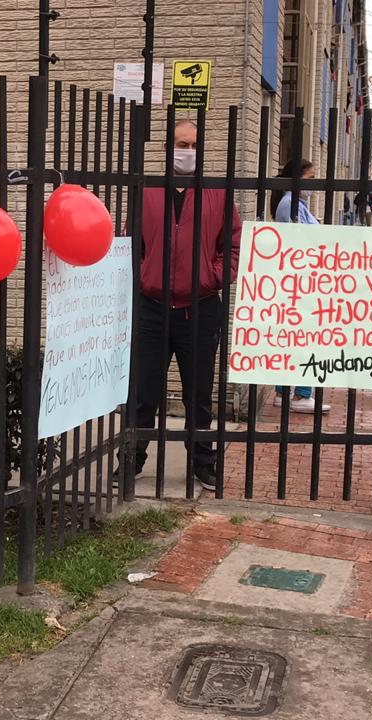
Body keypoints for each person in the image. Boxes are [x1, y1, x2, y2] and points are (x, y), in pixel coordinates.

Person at [125, 119, 241, 492]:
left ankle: (203, 463)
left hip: (201, 307)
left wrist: (211, 276)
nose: (186, 151)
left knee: (199, 394)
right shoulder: (149, 191)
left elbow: (233, 245)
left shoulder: (218, 194)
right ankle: (132, 460)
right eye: (180, 144)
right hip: (151, 306)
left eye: (192, 145)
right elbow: (132, 242)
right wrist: (144, 274)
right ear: (167, 148)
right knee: (143, 392)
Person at [271, 159, 332, 414]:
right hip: (300, 282)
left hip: (303, 281)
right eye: (310, 178)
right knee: (307, 338)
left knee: (296, 337)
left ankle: (284, 392)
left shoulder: (297, 204)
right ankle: (301, 395)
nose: (313, 184)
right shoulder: (290, 205)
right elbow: (300, 241)